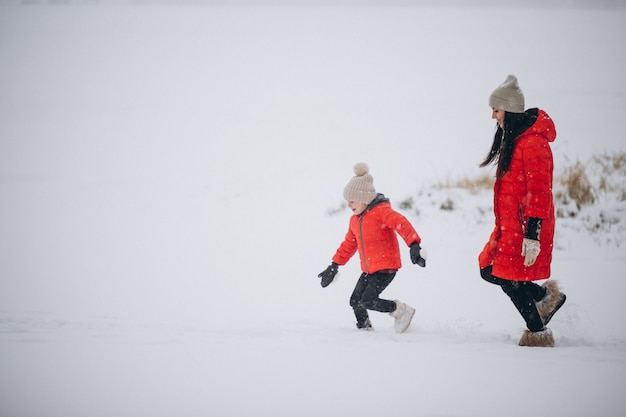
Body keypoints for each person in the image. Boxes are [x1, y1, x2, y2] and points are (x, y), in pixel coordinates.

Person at [478, 74, 566, 347]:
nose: (493, 116)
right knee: (489, 269)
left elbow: (540, 192)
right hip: (509, 226)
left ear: (510, 109)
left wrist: (532, 235)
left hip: (525, 227)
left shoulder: (533, 144)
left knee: (505, 276)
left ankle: (537, 332)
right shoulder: (514, 139)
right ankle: (543, 298)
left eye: (496, 110)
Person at [318, 162, 426, 333]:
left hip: (386, 267)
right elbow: (348, 245)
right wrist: (334, 265)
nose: (349, 205)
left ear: (364, 198)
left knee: (368, 300)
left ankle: (400, 310)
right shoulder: (355, 220)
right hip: (369, 269)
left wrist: (413, 244)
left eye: (352, 200)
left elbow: (401, 223)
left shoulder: (381, 212)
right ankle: (365, 328)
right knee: (355, 301)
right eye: (347, 200)